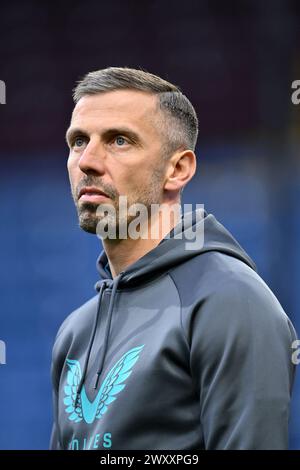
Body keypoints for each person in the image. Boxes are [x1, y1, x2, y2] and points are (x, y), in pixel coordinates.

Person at [50, 67, 297, 450]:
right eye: (79, 141)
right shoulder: (75, 331)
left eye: (118, 140)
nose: (88, 162)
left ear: (178, 169)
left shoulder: (229, 302)